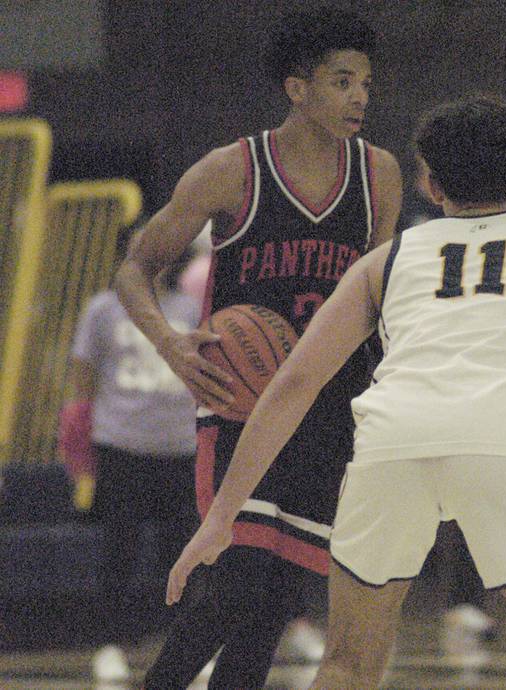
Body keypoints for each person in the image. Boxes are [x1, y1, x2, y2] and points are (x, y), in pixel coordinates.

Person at [168, 95, 506, 690]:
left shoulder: (384, 262)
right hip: (503, 445)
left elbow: (293, 384)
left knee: (346, 667)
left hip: (389, 448)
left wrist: (222, 515)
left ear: (431, 185)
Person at [113, 7, 401, 689]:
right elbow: (134, 268)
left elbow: (385, 297)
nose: (359, 95)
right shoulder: (230, 170)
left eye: (364, 81)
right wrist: (172, 346)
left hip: (332, 406)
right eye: (342, 81)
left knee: (276, 605)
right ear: (298, 89)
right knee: (235, 587)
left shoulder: (379, 173)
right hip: (242, 402)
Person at [59, 240, 200, 683]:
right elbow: (83, 376)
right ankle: (110, 644)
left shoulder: (194, 308)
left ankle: (187, 648)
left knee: (183, 554)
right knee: (119, 551)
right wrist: (78, 439)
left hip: (181, 449)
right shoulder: (103, 308)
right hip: (121, 445)